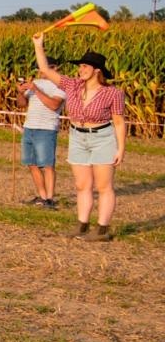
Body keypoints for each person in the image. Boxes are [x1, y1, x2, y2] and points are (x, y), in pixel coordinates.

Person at [33, 36, 126, 240]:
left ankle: (102, 230)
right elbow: (45, 70)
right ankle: (82, 225)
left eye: (84, 66)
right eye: (80, 66)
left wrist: (120, 149)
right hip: (77, 137)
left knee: (104, 186)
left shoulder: (113, 93)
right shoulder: (72, 85)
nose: (80, 69)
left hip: (102, 138)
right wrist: (38, 46)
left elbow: (119, 122)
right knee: (82, 185)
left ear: (97, 70)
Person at [18, 73, 64, 207]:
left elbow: (54, 105)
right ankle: (42, 197)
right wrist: (20, 92)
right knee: (31, 163)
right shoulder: (36, 83)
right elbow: (21, 104)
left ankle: (49, 199)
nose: (41, 71)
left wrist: (36, 90)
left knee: (47, 165)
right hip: (29, 127)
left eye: (45, 68)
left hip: (46, 129)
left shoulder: (60, 85)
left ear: (54, 69)